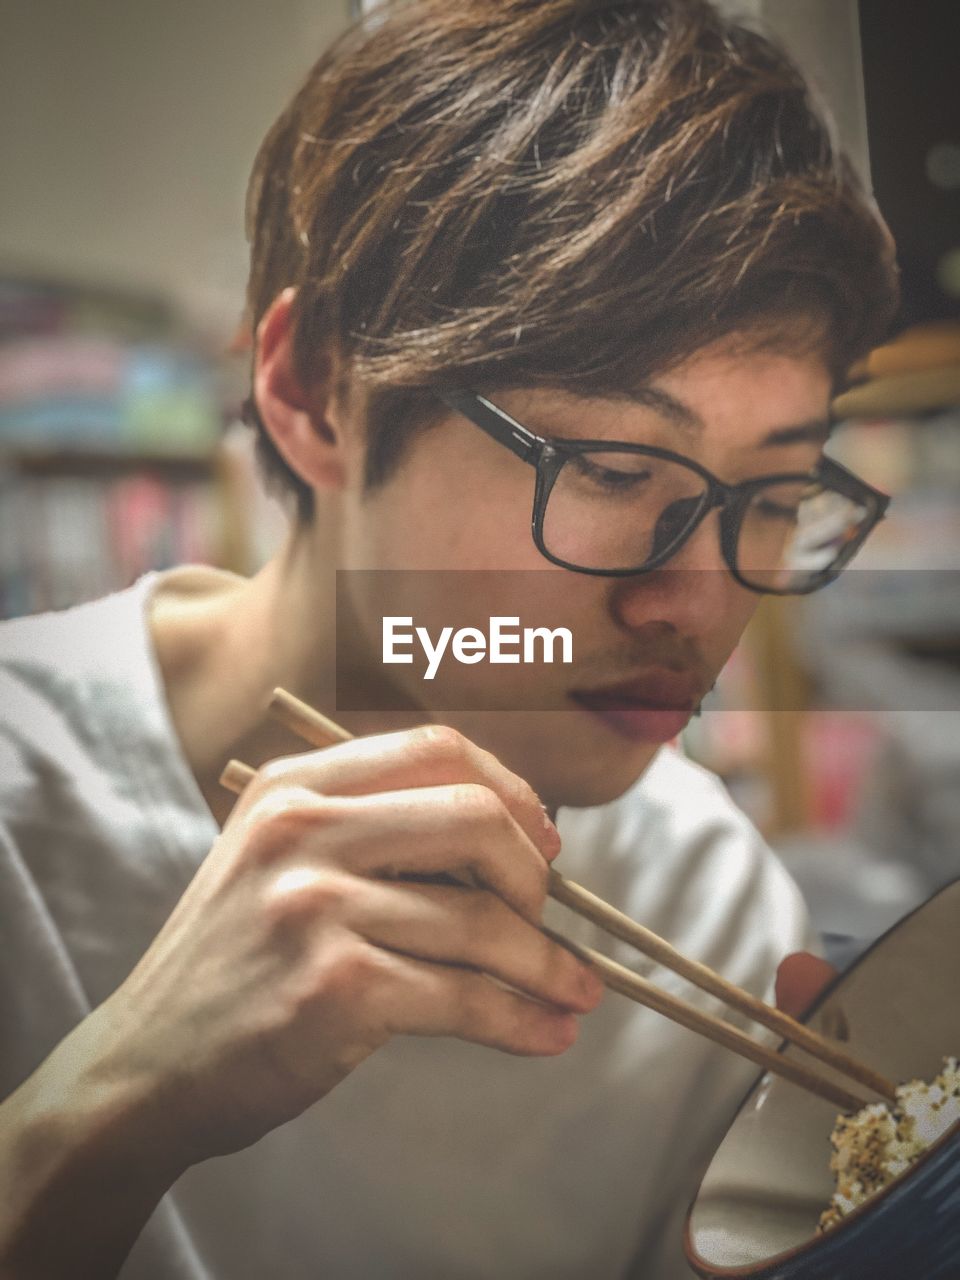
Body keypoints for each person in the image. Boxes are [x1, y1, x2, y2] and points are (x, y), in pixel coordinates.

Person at [0, 0, 896, 1276]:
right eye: (605, 467)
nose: (695, 602)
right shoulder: (22, 806)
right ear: (315, 390)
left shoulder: (710, 899)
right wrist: (102, 1109)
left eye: (774, 494)